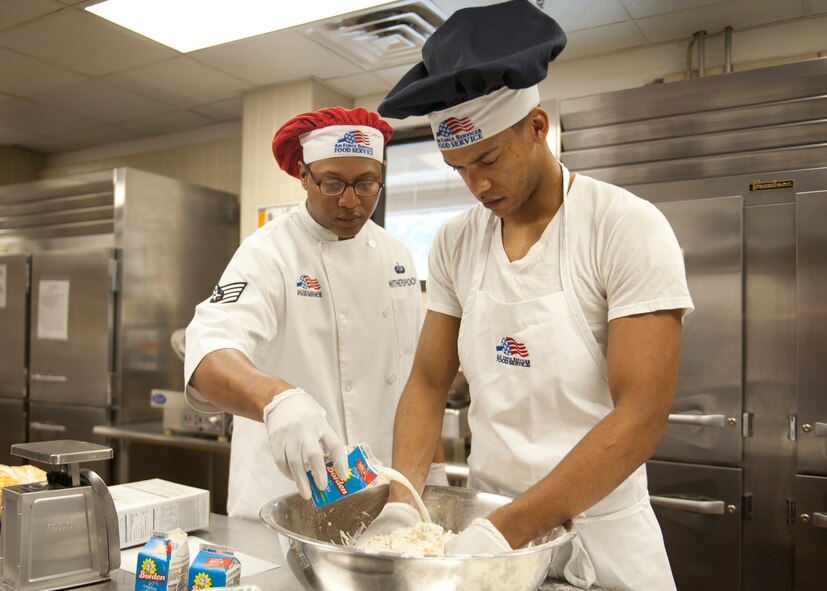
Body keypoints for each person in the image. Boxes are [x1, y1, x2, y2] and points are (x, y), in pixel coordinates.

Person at [362, 1, 693, 589]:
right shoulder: (457, 242)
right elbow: (429, 380)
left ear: (537, 127)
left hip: (601, 537)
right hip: (489, 534)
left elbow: (642, 415)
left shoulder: (623, 227)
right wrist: (403, 498)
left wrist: (503, 532)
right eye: (458, 168)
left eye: (487, 159)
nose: (477, 185)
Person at [184, 107, 446, 520]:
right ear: (304, 176)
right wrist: (277, 400)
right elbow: (207, 353)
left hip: (383, 500)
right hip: (286, 503)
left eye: (366, 184)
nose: (350, 201)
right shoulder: (268, 252)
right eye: (332, 183)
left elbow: (420, 376)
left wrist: (436, 469)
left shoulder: (397, 255)